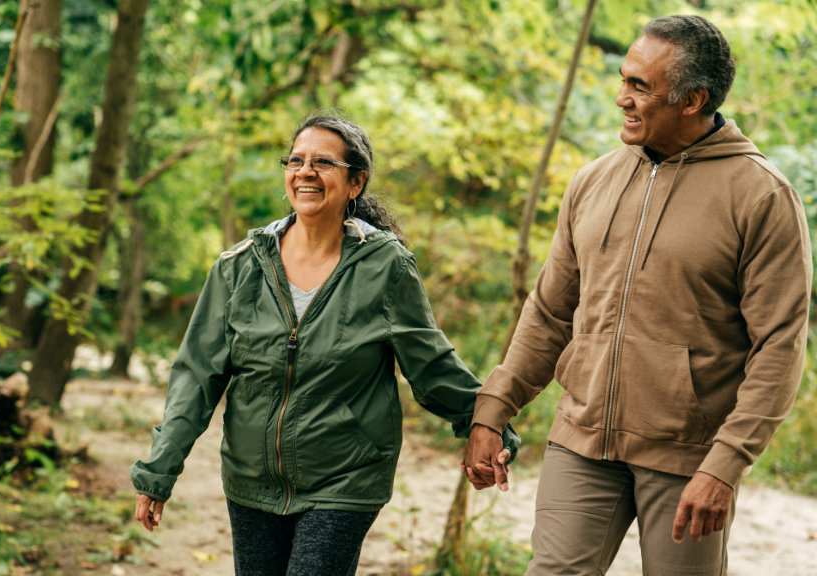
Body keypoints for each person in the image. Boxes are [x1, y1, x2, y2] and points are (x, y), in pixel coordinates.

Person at [462, 15, 811, 575]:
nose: (621, 97)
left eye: (640, 87)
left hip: (687, 459)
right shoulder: (592, 182)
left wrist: (725, 465)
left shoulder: (761, 197)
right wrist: (494, 408)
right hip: (581, 440)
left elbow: (780, 347)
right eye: (625, 79)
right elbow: (551, 312)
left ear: (693, 99)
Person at [131, 113, 520, 575]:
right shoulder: (240, 267)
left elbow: (431, 366)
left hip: (345, 477)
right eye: (295, 160)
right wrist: (160, 469)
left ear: (355, 183)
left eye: (323, 163)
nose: (305, 171)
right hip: (251, 478)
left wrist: (490, 426)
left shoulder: (385, 267)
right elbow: (196, 377)